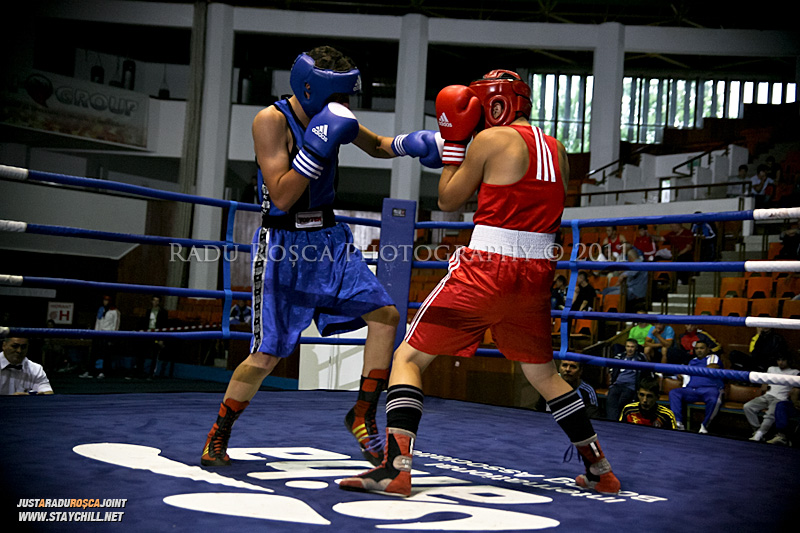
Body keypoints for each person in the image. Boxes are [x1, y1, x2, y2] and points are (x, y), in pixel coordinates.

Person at [339, 70, 620, 496]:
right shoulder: (559, 150)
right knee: (544, 374)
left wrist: (453, 144)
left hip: (489, 266)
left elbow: (448, 200)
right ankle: (600, 469)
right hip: (537, 272)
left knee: (408, 360)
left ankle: (395, 469)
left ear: (495, 105)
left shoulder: (491, 140)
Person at [200, 46, 442, 469]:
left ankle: (362, 416)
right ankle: (219, 432)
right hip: (285, 245)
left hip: (330, 239)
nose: (345, 106)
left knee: (385, 316)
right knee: (267, 355)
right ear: (309, 87)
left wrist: (419, 143)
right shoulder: (270, 120)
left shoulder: (335, 114)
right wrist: (315, 147)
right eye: (340, 96)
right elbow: (281, 195)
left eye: (349, 96)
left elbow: (379, 146)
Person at [668, 339, 724, 433]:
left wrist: (694, 370)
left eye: (702, 348)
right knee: (674, 393)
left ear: (708, 349)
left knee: (715, 400)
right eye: (696, 348)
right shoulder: (692, 361)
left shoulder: (712, 357)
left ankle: (704, 426)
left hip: (709, 389)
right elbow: (686, 373)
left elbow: (713, 367)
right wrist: (681, 374)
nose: (699, 350)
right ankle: (678, 423)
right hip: (692, 390)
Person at [744, 354, 799, 442]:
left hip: (780, 398)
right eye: (779, 360)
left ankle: (759, 434)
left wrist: (793, 396)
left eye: (783, 360)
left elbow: (795, 390)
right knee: (748, 406)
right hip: (768, 396)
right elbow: (765, 382)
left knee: (770, 414)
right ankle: (758, 431)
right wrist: (764, 386)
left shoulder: (795, 372)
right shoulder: (771, 369)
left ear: (788, 361)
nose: (780, 362)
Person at [605, 338, 648, 422]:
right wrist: (610, 387)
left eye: (632, 347)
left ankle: (620, 422)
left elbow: (646, 373)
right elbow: (613, 373)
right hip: (617, 384)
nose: (630, 349)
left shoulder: (641, 357)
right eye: (628, 346)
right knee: (610, 399)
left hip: (630, 386)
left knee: (622, 401)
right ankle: (612, 423)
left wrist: (640, 389)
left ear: (636, 348)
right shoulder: (619, 356)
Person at [80, 295, 120, 379]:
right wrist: (95, 333)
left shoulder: (115, 311)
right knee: (94, 353)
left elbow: (116, 325)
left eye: (107, 300)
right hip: (98, 334)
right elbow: (97, 322)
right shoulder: (101, 309)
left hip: (107, 334)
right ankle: (90, 371)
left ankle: (102, 372)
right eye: (104, 300)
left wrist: (112, 337)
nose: (105, 302)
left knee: (104, 355)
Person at [136, 295, 169, 379]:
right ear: (152, 301)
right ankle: (139, 371)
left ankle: (151, 373)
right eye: (154, 300)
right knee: (142, 352)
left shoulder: (163, 312)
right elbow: (145, 322)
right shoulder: (148, 311)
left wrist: (161, 338)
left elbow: (164, 325)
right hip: (148, 334)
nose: (155, 302)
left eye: (157, 301)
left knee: (154, 354)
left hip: (156, 335)